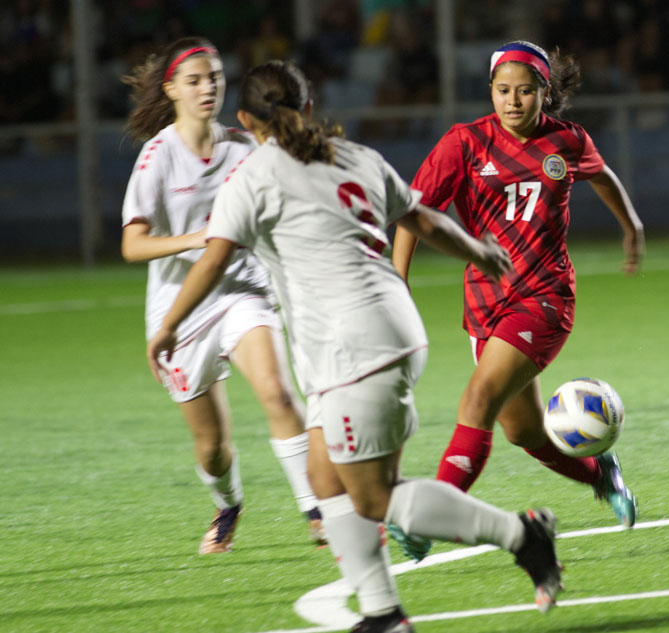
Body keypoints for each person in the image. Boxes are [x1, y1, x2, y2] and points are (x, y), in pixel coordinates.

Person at [146, 60, 563, 632]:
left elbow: (215, 258)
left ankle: (522, 535)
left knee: (372, 497)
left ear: (244, 120)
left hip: (353, 348)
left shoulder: (255, 172)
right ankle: (381, 612)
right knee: (324, 477)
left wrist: (167, 328)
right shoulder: (356, 156)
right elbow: (422, 219)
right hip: (386, 330)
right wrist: (479, 252)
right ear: (310, 105)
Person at [390, 40, 644, 559]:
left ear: (543, 93)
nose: (513, 101)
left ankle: (427, 520)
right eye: (504, 91)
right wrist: (397, 280)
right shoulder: (463, 144)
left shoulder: (566, 141)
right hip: (485, 304)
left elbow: (603, 176)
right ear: (490, 91)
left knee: (477, 400)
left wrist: (631, 225)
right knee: (523, 432)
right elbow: (412, 213)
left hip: (545, 299)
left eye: (525, 91)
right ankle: (601, 474)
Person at [120, 38, 323, 554]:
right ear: (171, 90)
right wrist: (200, 239)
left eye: (214, 77)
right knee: (212, 447)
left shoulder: (243, 145)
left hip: (241, 291)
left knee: (277, 392)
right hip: (180, 308)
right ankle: (228, 503)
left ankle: (318, 512)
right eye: (194, 80)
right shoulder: (157, 156)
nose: (207, 87)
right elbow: (132, 244)